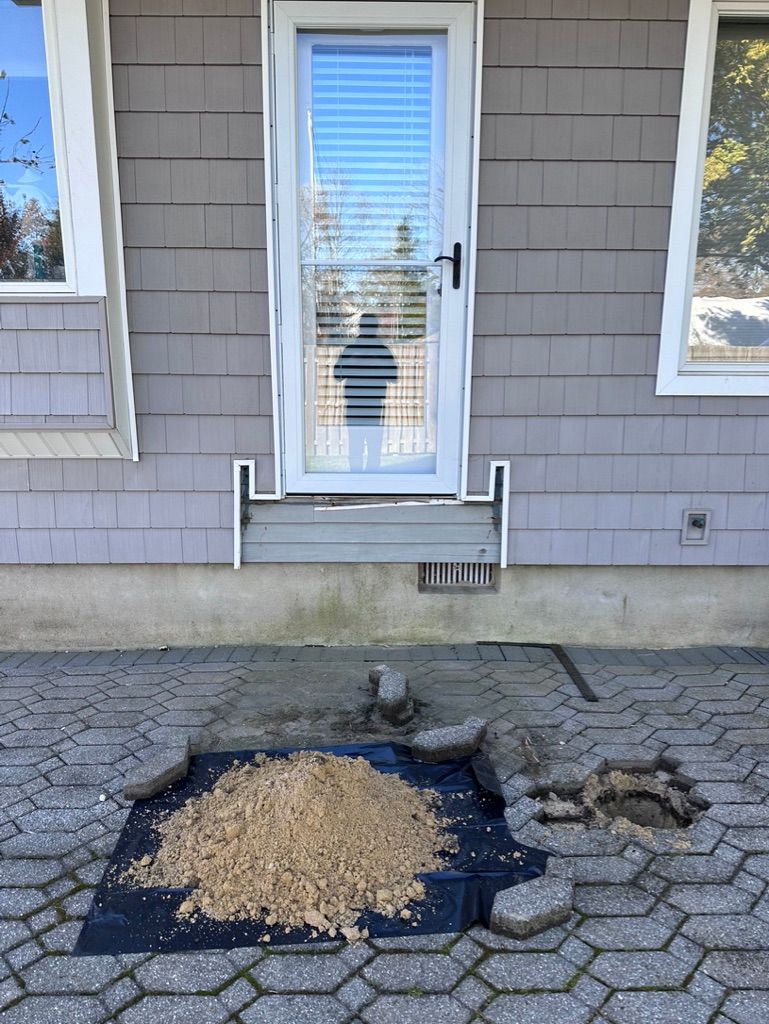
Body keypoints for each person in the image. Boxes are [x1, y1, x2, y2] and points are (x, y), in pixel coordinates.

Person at [333, 313, 398, 471]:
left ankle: (370, 481)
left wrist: (377, 361)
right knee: (359, 446)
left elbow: (394, 377)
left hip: (373, 404)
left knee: (371, 447)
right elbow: (337, 375)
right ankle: (359, 481)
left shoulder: (381, 350)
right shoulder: (352, 349)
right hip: (356, 405)